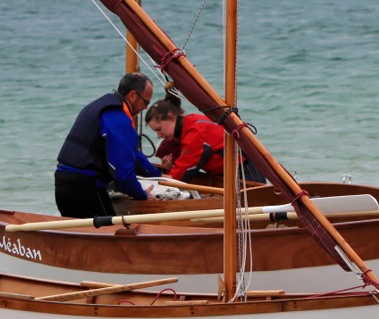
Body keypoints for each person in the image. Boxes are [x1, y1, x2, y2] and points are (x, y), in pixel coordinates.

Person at [54, 72, 161, 217]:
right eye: (146, 102)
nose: (146, 108)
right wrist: (142, 196)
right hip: (85, 189)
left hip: (61, 184)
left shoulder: (100, 106)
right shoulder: (119, 119)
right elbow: (123, 174)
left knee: (79, 237)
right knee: (112, 235)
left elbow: (133, 154)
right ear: (133, 96)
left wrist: (158, 176)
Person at [145, 93, 268, 184]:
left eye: (159, 129)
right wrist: (169, 169)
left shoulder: (194, 132)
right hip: (225, 173)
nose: (159, 135)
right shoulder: (189, 122)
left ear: (171, 117)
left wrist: (165, 179)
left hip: (246, 170)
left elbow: (185, 167)